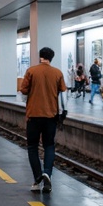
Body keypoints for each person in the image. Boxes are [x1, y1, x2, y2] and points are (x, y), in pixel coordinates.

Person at [20, 47, 66, 192]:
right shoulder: (58, 73)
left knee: (32, 147)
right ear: (51, 58)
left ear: (40, 57)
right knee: (49, 146)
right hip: (51, 116)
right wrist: (63, 113)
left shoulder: (31, 71)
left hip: (33, 115)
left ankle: (37, 177)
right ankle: (47, 174)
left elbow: (23, 91)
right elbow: (63, 94)